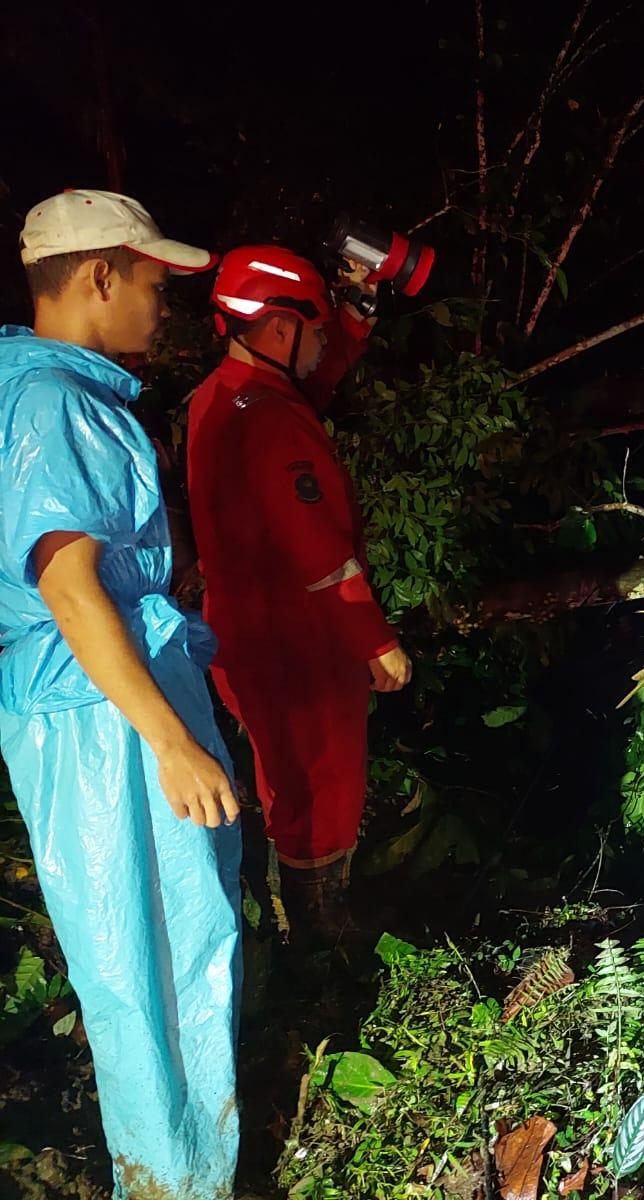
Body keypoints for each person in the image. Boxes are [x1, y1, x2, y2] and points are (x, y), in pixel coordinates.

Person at [0, 189, 240, 1198]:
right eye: (153, 282)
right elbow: (68, 584)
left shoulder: (49, 394)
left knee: (153, 948)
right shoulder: (54, 403)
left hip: (96, 705)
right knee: (151, 957)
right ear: (100, 274)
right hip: (105, 719)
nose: (163, 304)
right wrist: (171, 741)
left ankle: (183, 1169)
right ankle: (178, 1183)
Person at [186, 245, 411, 939]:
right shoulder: (270, 420)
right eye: (315, 329)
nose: (322, 346)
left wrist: (356, 311)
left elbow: (311, 376)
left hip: (250, 632)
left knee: (288, 779)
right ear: (280, 327)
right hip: (297, 642)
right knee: (322, 784)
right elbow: (319, 551)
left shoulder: (226, 393)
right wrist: (375, 641)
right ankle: (320, 934)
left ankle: (305, 921)